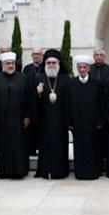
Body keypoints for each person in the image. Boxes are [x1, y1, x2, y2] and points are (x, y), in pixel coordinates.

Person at [0, 51, 33, 178]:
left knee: (19, 146)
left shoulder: (23, 78)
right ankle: (4, 172)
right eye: (7, 63)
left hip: (19, 121)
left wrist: (27, 116)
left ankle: (20, 171)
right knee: (3, 145)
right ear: (2, 65)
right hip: (1, 121)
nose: (10, 65)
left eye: (12, 63)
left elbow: (28, 99)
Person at [34, 49, 71, 179]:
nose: (51, 65)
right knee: (45, 146)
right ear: (45, 64)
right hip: (45, 121)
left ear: (58, 63)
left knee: (60, 146)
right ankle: (45, 171)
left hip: (61, 121)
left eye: (53, 62)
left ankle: (60, 171)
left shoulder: (66, 79)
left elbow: (69, 102)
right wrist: (38, 93)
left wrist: (68, 122)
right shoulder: (39, 78)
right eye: (48, 62)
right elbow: (32, 102)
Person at [68, 55, 104, 179]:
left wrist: (100, 120)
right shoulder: (71, 83)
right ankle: (80, 173)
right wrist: (70, 122)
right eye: (80, 67)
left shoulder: (97, 83)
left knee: (92, 148)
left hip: (92, 123)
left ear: (89, 68)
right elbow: (68, 104)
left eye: (84, 67)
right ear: (77, 68)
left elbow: (101, 103)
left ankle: (93, 172)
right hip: (77, 123)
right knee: (79, 148)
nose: (82, 70)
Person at [23, 47, 44, 156]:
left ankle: (41, 148)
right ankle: (31, 148)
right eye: (34, 54)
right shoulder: (27, 68)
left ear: (42, 55)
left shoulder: (46, 67)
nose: (36, 56)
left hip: (43, 103)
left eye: (38, 54)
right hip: (30, 103)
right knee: (31, 127)